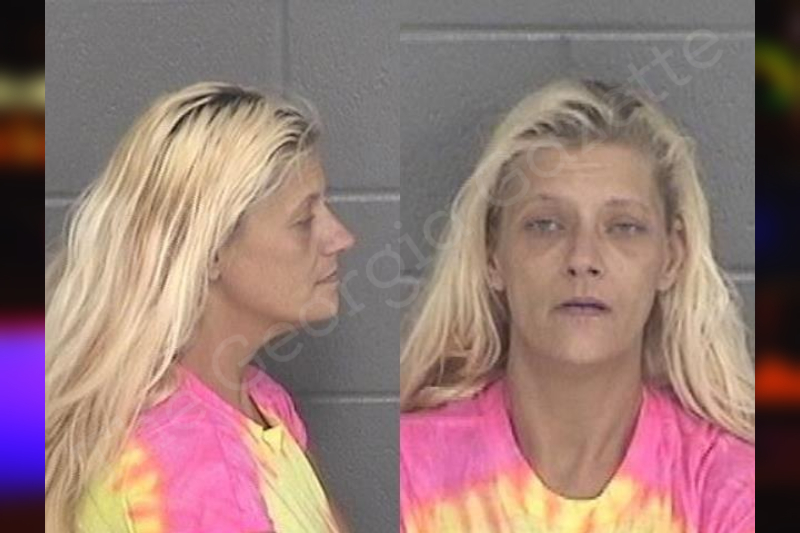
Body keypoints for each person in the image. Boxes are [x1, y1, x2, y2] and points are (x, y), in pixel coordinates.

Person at [400, 78, 754, 532]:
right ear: (492, 256)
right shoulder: (412, 472)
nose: (583, 259)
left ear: (672, 257)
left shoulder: (729, 486)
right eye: (546, 225)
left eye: (624, 227)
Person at [46, 82, 356, 532]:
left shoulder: (259, 401)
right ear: (210, 252)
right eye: (303, 220)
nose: (341, 238)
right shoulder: (192, 474)